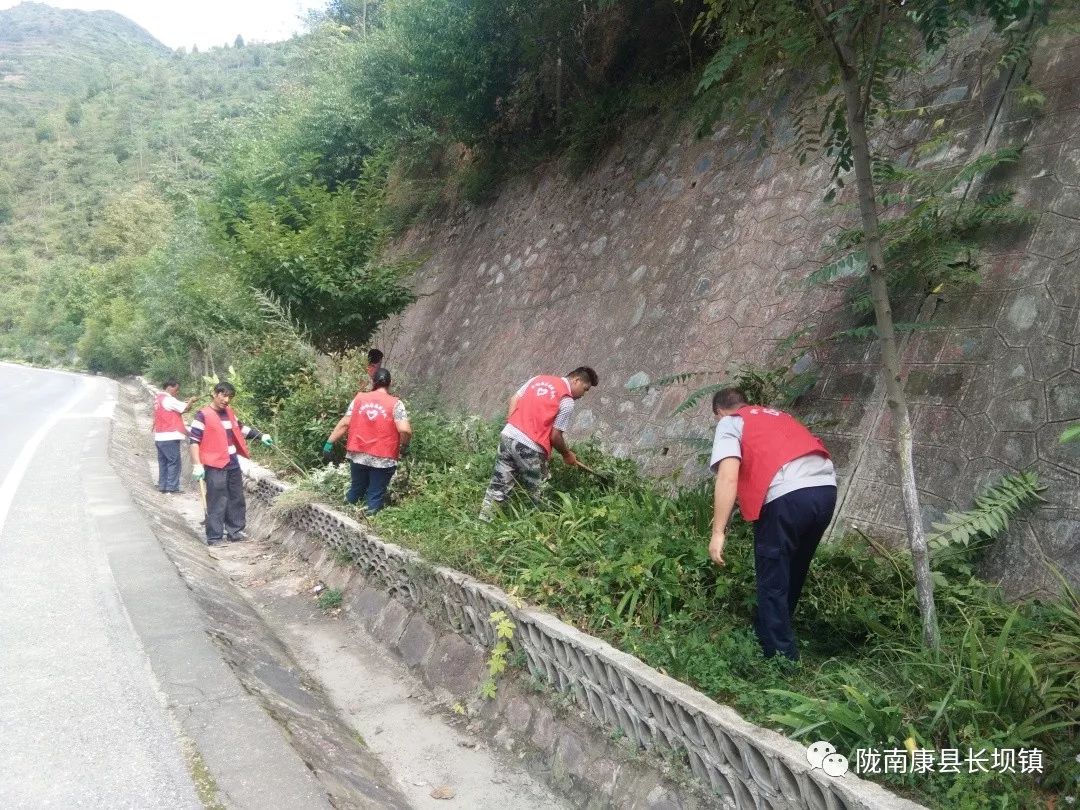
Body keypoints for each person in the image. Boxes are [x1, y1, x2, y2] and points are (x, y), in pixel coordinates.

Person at [708, 388, 837, 661]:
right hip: (826, 490)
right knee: (794, 568)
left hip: (788, 496)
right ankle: (769, 631)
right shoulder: (778, 415)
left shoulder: (731, 422)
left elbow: (728, 477)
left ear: (719, 413)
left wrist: (718, 531)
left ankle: (781, 659)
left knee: (773, 574)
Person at [479, 366, 598, 522]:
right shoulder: (567, 401)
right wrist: (567, 454)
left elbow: (514, 399)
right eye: (585, 389)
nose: (583, 394)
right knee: (539, 492)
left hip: (508, 436)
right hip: (530, 446)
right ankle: (536, 531)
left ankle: (484, 523)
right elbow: (555, 436)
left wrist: (513, 425)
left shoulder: (538, 379)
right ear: (576, 380)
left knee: (498, 485)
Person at [188, 381, 272, 546]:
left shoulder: (230, 413)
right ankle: (214, 536)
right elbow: (194, 441)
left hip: (232, 462)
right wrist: (197, 464)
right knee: (217, 499)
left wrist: (261, 436)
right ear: (215, 394)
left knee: (236, 497)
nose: (226, 400)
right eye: (223, 395)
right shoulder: (202, 415)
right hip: (214, 464)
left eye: (229, 397)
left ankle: (235, 531)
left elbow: (241, 429)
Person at [322, 367, 412, 514]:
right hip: (384, 457)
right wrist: (405, 445)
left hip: (358, 454)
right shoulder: (396, 403)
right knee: (375, 493)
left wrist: (328, 444)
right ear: (390, 383)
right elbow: (405, 430)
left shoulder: (359, 399)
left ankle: (344, 515)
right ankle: (369, 520)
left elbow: (345, 423)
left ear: (373, 382)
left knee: (356, 488)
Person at [153, 379, 196, 493]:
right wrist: (191, 401)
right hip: (169, 436)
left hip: (159, 436)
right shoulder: (169, 399)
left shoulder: (158, 398)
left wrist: (188, 403)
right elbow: (186, 408)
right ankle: (172, 487)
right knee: (174, 462)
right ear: (169, 387)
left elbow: (180, 408)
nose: (177, 392)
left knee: (163, 462)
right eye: (176, 389)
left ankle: (163, 486)